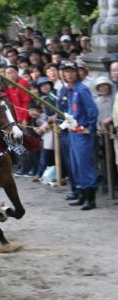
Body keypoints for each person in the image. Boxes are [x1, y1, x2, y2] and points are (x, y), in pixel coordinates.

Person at [61, 61, 98, 210]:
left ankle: (91, 199)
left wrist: (90, 127)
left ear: (77, 72)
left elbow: (92, 110)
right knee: (75, 165)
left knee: (85, 166)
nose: (69, 74)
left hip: (82, 133)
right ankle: (82, 194)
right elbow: (70, 113)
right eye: (66, 71)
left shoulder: (82, 89)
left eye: (72, 71)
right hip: (73, 132)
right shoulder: (70, 90)